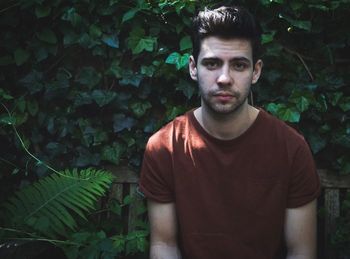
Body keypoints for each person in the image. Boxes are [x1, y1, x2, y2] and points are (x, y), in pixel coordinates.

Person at [139, 5, 320, 259]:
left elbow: (301, 251)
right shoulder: (165, 147)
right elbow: (164, 246)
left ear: (255, 71)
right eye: (212, 63)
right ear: (193, 67)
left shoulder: (291, 149)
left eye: (238, 65)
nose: (224, 78)